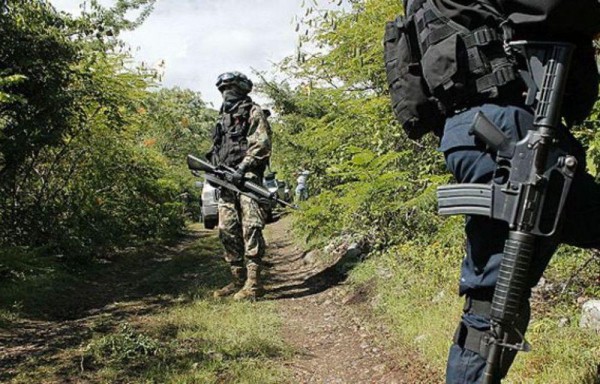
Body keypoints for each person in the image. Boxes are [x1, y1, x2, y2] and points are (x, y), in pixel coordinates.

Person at [396, 1, 600, 382]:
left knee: (497, 295)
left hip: (470, 131)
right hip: (511, 127)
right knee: (492, 302)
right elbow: (555, 8)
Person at [208, 71, 272, 301]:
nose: (226, 94)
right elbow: (217, 149)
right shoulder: (222, 118)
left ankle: (253, 284)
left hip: (247, 180)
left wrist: (242, 169)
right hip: (226, 182)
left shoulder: (253, 112)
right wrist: (213, 169)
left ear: (241, 90)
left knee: (251, 228)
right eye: (223, 90)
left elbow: (261, 144)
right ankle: (237, 280)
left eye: (231, 89)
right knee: (227, 230)